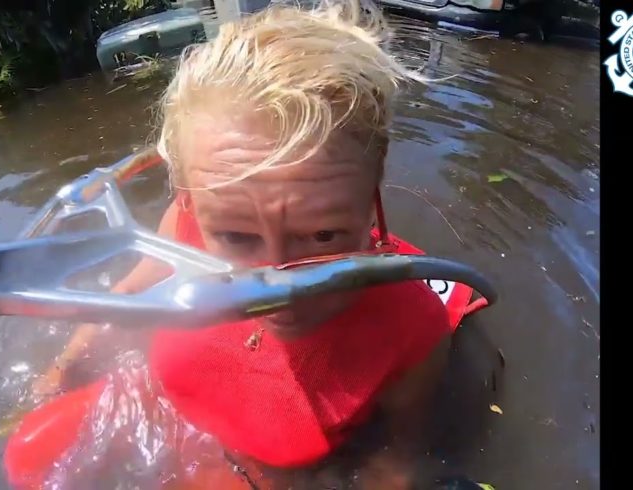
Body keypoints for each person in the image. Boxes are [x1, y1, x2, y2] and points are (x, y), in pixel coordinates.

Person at [26, 0, 456, 486]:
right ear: (190, 199)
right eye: (235, 236)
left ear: (371, 198)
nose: (276, 283)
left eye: (322, 235)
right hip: (171, 413)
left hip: (264, 474)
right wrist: (65, 366)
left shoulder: (413, 328)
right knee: (28, 458)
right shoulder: (185, 223)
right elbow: (125, 298)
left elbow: (395, 457)